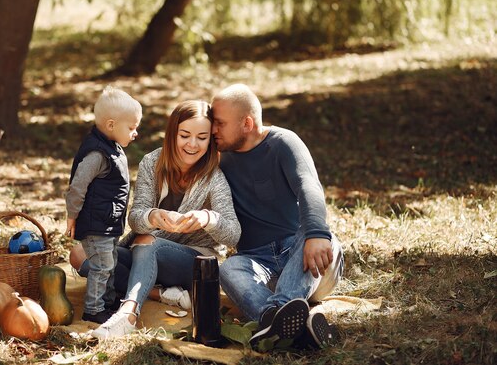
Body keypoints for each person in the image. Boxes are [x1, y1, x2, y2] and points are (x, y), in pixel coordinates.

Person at [87, 99, 241, 339]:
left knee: (147, 241)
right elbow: (136, 219)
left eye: (202, 137)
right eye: (185, 135)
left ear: (210, 139)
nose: (192, 144)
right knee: (82, 256)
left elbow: (233, 235)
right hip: (144, 254)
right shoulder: (152, 163)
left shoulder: (214, 178)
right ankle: (164, 294)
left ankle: (128, 314)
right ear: (172, 134)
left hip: (193, 261)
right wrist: (154, 216)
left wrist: (208, 218)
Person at [211, 84, 344, 350]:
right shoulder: (218, 156)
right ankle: (291, 326)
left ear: (247, 123)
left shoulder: (283, 143)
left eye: (220, 123)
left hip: (307, 260)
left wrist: (316, 235)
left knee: (321, 235)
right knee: (227, 268)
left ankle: (276, 315)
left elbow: (309, 186)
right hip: (259, 265)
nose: (213, 130)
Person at [64, 86, 142, 324]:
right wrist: (72, 216)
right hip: (95, 223)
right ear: (110, 125)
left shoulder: (112, 148)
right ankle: (93, 309)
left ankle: (107, 301)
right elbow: (77, 186)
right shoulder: (97, 154)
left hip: (107, 222)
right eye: (131, 128)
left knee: (110, 263)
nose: (135, 133)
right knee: (102, 266)